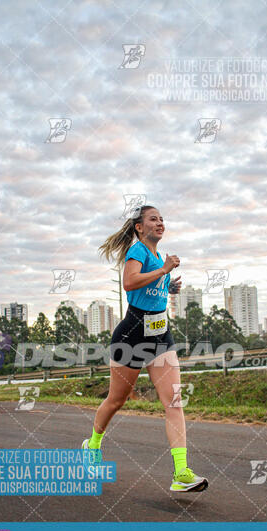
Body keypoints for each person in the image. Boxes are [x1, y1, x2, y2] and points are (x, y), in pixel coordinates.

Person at [82, 205, 208, 493]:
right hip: (131, 336)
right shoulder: (138, 251)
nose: (160, 223)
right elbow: (129, 283)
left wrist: (168, 284)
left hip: (160, 336)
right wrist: (164, 270)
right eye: (153, 219)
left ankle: (181, 472)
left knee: (174, 401)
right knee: (117, 401)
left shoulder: (157, 256)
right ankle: (92, 445)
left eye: (162, 219)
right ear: (140, 227)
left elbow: (151, 286)